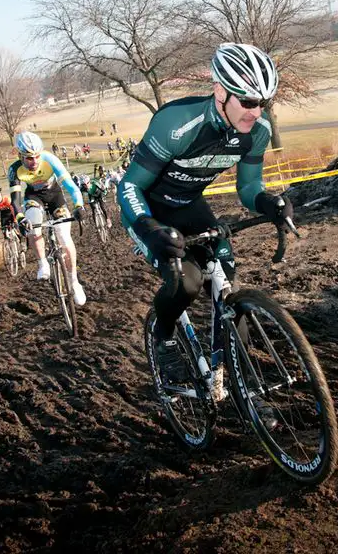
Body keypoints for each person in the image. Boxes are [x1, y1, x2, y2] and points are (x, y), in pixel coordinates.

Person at [119, 43, 293, 381]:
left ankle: (245, 388)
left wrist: (269, 202)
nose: (256, 112)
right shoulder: (176, 124)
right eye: (247, 102)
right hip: (149, 209)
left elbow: (248, 187)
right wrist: (148, 229)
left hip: (190, 205)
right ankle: (164, 338)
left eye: (262, 103)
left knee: (228, 285)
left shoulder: (257, 132)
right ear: (220, 92)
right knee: (187, 283)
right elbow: (129, 187)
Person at [9, 132, 88, 305]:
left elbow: (71, 187)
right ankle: (42, 262)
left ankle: (74, 282)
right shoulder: (14, 169)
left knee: (65, 239)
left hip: (54, 196)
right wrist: (21, 218)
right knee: (33, 223)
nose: (35, 161)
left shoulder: (50, 159)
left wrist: (78, 206)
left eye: (37, 156)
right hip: (33, 197)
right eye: (29, 158)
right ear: (20, 156)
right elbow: (15, 201)